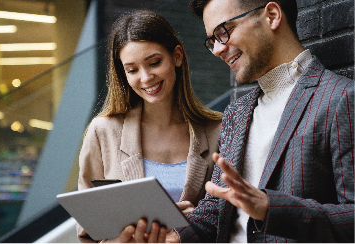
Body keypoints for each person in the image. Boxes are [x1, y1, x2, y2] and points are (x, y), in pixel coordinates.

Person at [119, 0, 354, 242]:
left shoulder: (341, 99)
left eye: (224, 31)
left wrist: (271, 208)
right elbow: (216, 209)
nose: (217, 50)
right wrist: (176, 234)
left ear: (272, 16)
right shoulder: (237, 112)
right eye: (212, 40)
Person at [76, 9, 224, 242]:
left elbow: (230, 221)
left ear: (177, 56)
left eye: (154, 63)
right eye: (132, 70)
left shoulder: (218, 130)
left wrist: (195, 224)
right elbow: (86, 231)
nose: (145, 78)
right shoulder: (103, 131)